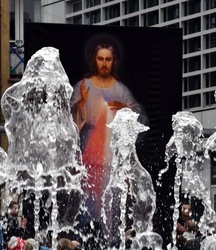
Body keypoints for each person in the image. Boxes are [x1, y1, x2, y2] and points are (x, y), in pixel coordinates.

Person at [70, 40, 148, 244]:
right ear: (94, 60)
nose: (104, 63)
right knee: (87, 206)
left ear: (114, 62)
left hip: (112, 160)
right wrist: (81, 104)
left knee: (112, 208)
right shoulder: (83, 86)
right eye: (100, 59)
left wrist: (124, 109)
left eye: (108, 59)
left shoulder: (121, 90)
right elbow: (68, 119)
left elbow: (139, 116)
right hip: (89, 157)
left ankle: (112, 242)